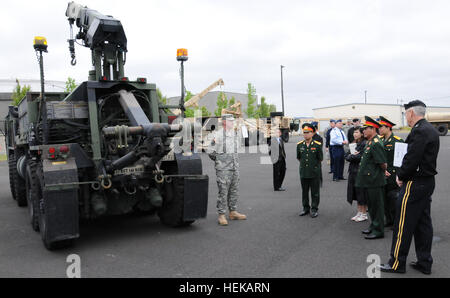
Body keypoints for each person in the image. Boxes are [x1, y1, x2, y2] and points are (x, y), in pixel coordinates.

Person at [379, 100, 440, 274]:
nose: (405, 117)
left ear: (411, 113)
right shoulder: (430, 129)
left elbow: (412, 158)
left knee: (402, 224)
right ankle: (424, 262)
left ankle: (396, 263)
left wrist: (401, 175)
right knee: (422, 223)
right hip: (427, 182)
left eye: (405, 113)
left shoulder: (420, 131)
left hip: (414, 183)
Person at [207, 114, 247, 226]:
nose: (232, 123)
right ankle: (221, 215)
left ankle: (233, 212)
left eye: (233, 121)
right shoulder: (218, 135)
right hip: (223, 169)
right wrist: (220, 161)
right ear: (224, 122)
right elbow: (210, 151)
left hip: (234, 168)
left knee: (234, 190)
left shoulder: (234, 134)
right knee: (223, 192)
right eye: (230, 121)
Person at [355, 116, 387, 240]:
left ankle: (379, 230)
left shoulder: (376, 143)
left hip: (375, 180)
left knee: (377, 206)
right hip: (369, 180)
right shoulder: (369, 141)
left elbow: (382, 163)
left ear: (373, 129)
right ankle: (373, 226)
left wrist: (383, 171)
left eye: (365, 129)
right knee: (372, 206)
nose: (363, 131)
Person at [378, 116, 404, 228]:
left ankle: (396, 222)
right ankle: (388, 219)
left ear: (388, 128)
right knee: (384, 198)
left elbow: (402, 160)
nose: (379, 129)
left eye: (381, 127)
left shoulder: (398, 140)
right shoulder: (379, 140)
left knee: (394, 198)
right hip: (382, 174)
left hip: (393, 174)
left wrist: (400, 175)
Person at [297, 123, 323, 218]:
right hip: (304, 172)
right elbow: (299, 158)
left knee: (315, 192)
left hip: (314, 172)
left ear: (312, 133)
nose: (306, 134)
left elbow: (320, 158)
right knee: (304, 192)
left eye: (308, 132)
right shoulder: (299, 145)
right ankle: (305, 208)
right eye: (304, 132)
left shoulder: (317, 145)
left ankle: (314, 209)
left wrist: (314, 167)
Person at [344, 126, 368, 222]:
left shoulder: (364, 143)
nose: (354, 134)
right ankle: (359, 212)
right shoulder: (354, 143)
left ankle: (364, 213)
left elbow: (359, 157)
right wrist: (352, 156)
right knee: (355, 192)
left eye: (357, 132)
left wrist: (352, 156)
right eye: (354, 132)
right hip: (353, 170)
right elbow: (347, 156)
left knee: (361, 192)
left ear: (362, 133)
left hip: (360, 171)